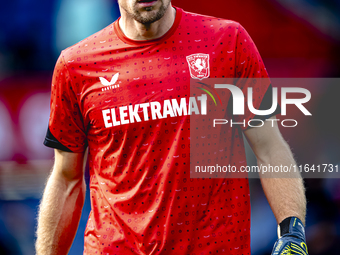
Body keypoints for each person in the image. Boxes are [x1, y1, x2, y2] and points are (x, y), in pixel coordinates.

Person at [36, 0, 308, 254]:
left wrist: (291, 231)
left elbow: (270, 147)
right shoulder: (76, 66)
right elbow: (66, 179)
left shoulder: (227, 40)